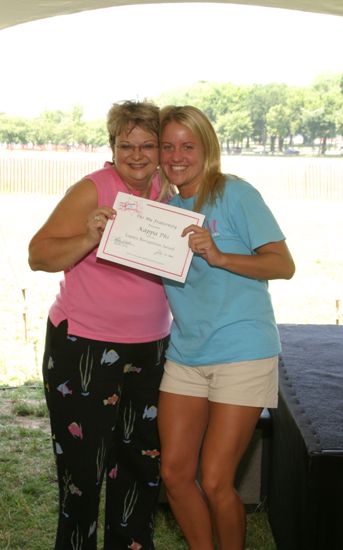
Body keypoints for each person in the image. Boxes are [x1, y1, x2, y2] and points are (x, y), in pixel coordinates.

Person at [28, 100, 173, 550]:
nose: (136, 154)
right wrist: (90, 235)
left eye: (147, 144)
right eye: (125, 144)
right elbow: (39, 255)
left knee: (140, 465)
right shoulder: (93, 189)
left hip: (150, 349)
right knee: (83, 471)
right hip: (83, 348)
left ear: (160, 149)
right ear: (111, 147)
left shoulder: (171, 192)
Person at [157, 105, 296, 550]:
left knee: (216, 481)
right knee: (175, 475)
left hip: (243, 351)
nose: (177, 155)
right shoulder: (161, 209)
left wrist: (219, 256)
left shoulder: (234, 194)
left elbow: (283, 265)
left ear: (206, 148)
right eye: (168, 146)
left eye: (188, 145)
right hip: (186, 354)